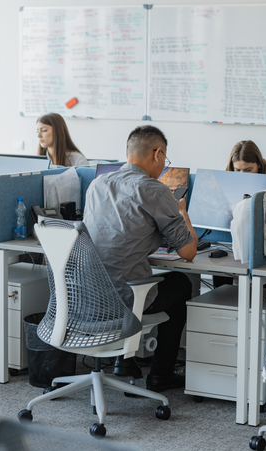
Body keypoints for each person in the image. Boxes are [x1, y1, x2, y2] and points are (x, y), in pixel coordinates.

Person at [83, 125, 198, 392]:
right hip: (125, 298)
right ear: (157, 154)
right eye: (165, 159)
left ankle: (125, 362)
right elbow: (189, 252)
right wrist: (182, 213)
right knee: (181, 282)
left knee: (137, 274)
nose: (164, 166)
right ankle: (160, 374)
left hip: (88, 295)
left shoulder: (97, 185)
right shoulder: (155, 190)